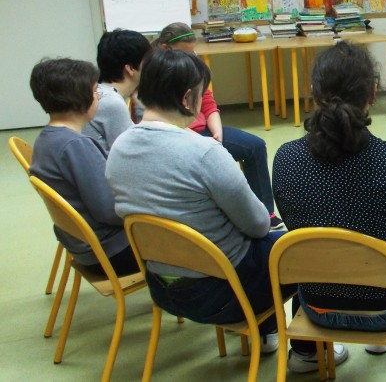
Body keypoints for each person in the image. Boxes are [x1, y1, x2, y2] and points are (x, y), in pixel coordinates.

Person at [104, 49, 347, 370]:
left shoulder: (118, 148)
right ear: (188, 97)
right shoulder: (204, 153)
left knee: (245, 243)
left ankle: (266, 329)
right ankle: (307, 352)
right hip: (225, 294)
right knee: (295, 246)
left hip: (164, 289)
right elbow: (259, 224)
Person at [272, 41, 386, 365]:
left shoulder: (286, 159)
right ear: (373, 94)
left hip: (316, 307)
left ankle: (304, 350)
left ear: (314, 93)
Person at [154, 22, 282, 230]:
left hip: (205, 132)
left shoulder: (193, 67)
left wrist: (217, 134)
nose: (192, 57)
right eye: (185, 53)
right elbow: (162, 121)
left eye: (193, 52)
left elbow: (209, 104)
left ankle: (265, 212)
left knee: (254, 146)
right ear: (166, 49)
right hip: (179, 136)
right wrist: (202, 143)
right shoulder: (155, 76)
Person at [29, 58, 137, 277]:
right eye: (95, 90)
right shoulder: (75, 145)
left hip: (84, 247)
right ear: (82, 98)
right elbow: (109, 210)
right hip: (111, 252)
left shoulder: (45, 139)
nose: (99, 96)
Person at [83, 29, 151, 151]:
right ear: (130, 69)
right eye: (148, 61)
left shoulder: (101, 92)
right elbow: (135, 150)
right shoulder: (110, 102)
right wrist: (141, 108)